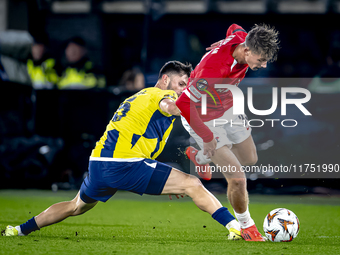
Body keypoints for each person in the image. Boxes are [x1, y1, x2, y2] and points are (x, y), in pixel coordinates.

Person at [2, 61, 243, 241]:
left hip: (99, 163)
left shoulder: (139, 96)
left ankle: (18, 230)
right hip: (125, 163)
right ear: (165, 80)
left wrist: (169, 179)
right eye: (181, 84)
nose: (183, 90)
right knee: (193, 184)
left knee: (76, 206)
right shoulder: (162, 95)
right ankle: (235, 227)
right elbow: (171, 105)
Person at [176, 24, 280, 241]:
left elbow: (235, 28)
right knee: (238, 178)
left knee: (250, 159)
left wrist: (224, 42)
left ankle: (200, 157)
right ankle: (246, 227)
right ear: (247, 51)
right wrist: (206, 137)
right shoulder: (213, 70)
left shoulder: (243, 38)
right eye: (261, 60)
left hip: (228, 107)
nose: (264, 64)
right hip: (201, 117)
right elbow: (184, 104)